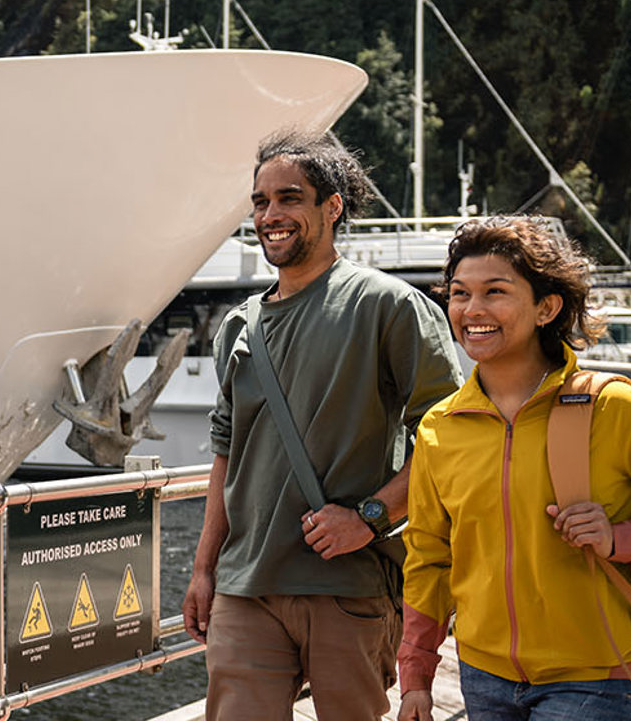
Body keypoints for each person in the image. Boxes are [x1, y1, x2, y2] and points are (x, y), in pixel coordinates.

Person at [396, 217, 631, 721]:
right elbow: (428, 559)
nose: (472, 310)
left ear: (546, 307)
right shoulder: (440, 427)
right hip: (482, 675)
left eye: (495, 291)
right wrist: (416, 678)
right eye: (458, 293)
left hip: (596, 675)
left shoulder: (614, 407)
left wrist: (622, 538)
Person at [181, 130, 463, 720]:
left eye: (289, 198)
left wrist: (371, 517)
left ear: (332, 206)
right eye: (260, 202)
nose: (270, 215)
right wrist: (204, 569)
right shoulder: (239, 325)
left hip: (350, 585)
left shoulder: (388, 306)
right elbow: (226, 455)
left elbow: (450, 439)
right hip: (245, 585)